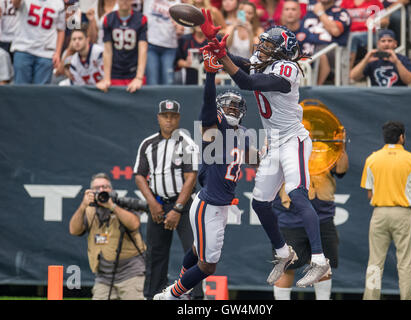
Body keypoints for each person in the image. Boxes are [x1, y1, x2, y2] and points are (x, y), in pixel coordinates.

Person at [199, 11, 331, 288]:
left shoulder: (289, 69)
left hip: (294, 139)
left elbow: (247, 82)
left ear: (283, 52)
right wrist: (215, 45)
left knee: (296, 194)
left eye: (270, 47)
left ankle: (319, 259)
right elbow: (244, 64)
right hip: (274, 143)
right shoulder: (265, 62)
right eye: (264, 45)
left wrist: (222, 58)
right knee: (259, 202)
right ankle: (283, 253)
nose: (262, 50)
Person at [153, 49, 254, 300]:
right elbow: (208, 106)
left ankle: (178, 290)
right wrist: (210, 75)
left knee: (199, 251)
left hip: (219, 205)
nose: (231, 110)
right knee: (208, 266)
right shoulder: (213, 130)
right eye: (227, 106)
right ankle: (172, 295)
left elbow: (252, 158)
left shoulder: (239, 134)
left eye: (235, 107)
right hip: (209, 204)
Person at [134, 99, 202, 300]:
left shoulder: (187, 144)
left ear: (178, 118)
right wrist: (153, 203)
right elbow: (139, 175)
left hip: (184, 206)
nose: (169, 121)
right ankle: (152, 296)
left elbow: (191, 176)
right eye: (165, 116)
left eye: (173, 116)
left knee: (194, 252)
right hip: (158, 205)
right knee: (155, 255)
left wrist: (178, 208)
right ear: (159, 117)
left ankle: (197, 298)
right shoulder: (148, 144)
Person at [361, 121, 411, 300]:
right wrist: (406, 209)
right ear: (401, 137)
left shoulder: (372, 159)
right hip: (403, 213)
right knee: (405, 264)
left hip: (379, 213)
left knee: (375, 263)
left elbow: (369, 194)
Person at [273, 148, 348, 300]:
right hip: (291, 218)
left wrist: (340, 144)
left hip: (322, 218)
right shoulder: (284, 142)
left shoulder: (326, 146)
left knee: (322, 265)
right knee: (285, 267)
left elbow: (341, 169)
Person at [69, 173, 146, 300]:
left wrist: (112, 206)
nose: (101, 191)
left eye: (105, 187)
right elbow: (74, 230)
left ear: (111, 189)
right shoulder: (89, 210)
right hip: (103, 276)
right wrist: (83, 206)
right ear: (91, 191)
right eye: (97, 188)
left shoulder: (123, 204)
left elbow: (134, 224)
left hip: (131, 272)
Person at [96, 0, 148, 93]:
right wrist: (106, 78)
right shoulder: (108, 19)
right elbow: (107, 51)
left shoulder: (141, 19)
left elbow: (143, 49)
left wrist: (139, 77)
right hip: (115, 73)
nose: (124, 1)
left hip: (134, 72)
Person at [10, 0, 66, 84]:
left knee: (41, 92)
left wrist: (57, 53)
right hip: (23, 48)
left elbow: (61, 29)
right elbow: (15, 4)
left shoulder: (58, 3)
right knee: (20, 89)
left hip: (46, 52)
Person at [296, 0, 351, 84]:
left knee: (320, 54)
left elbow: (335, 31)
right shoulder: (309, 14)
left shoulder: (341, 13)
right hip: (307, 48)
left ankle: (315, 88)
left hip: (329, 51)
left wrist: (321, 13)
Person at [144, 0, 184, 85]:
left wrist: (179, 29)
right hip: (151, 44)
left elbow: (181, 29)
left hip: (169, 48)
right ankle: (153, 99)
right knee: (152, 81)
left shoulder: (178, 4)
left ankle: (167, 99)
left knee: (168, 82)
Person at [340, 0, 389, 68]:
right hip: (348, 34)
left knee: (353, 38)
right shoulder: (345, 2)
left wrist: (374, 22)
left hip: (369, 34)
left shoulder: (374, 2)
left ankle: (348, 72)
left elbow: (385, 21)